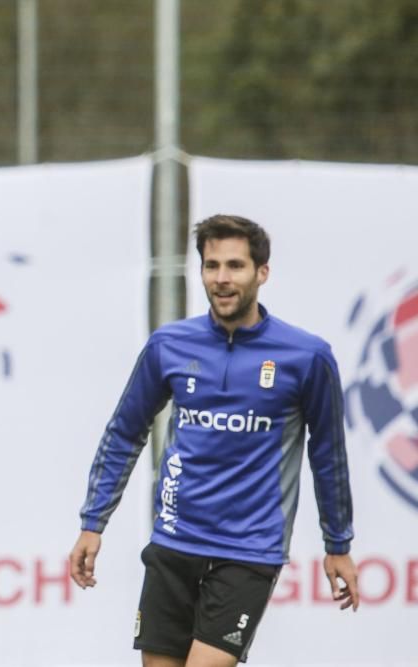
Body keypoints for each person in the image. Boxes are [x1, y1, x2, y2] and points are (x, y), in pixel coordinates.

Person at [69, 215, 359, 666]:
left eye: (235, 266)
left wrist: (337, 544)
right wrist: (93, 522)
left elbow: (328, 455)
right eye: (211, 266)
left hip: (249, 548)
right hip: (174, 540)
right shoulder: (169, 345)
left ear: (262, 272)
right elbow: (124, 432)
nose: (222, 279)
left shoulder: (307, 356)